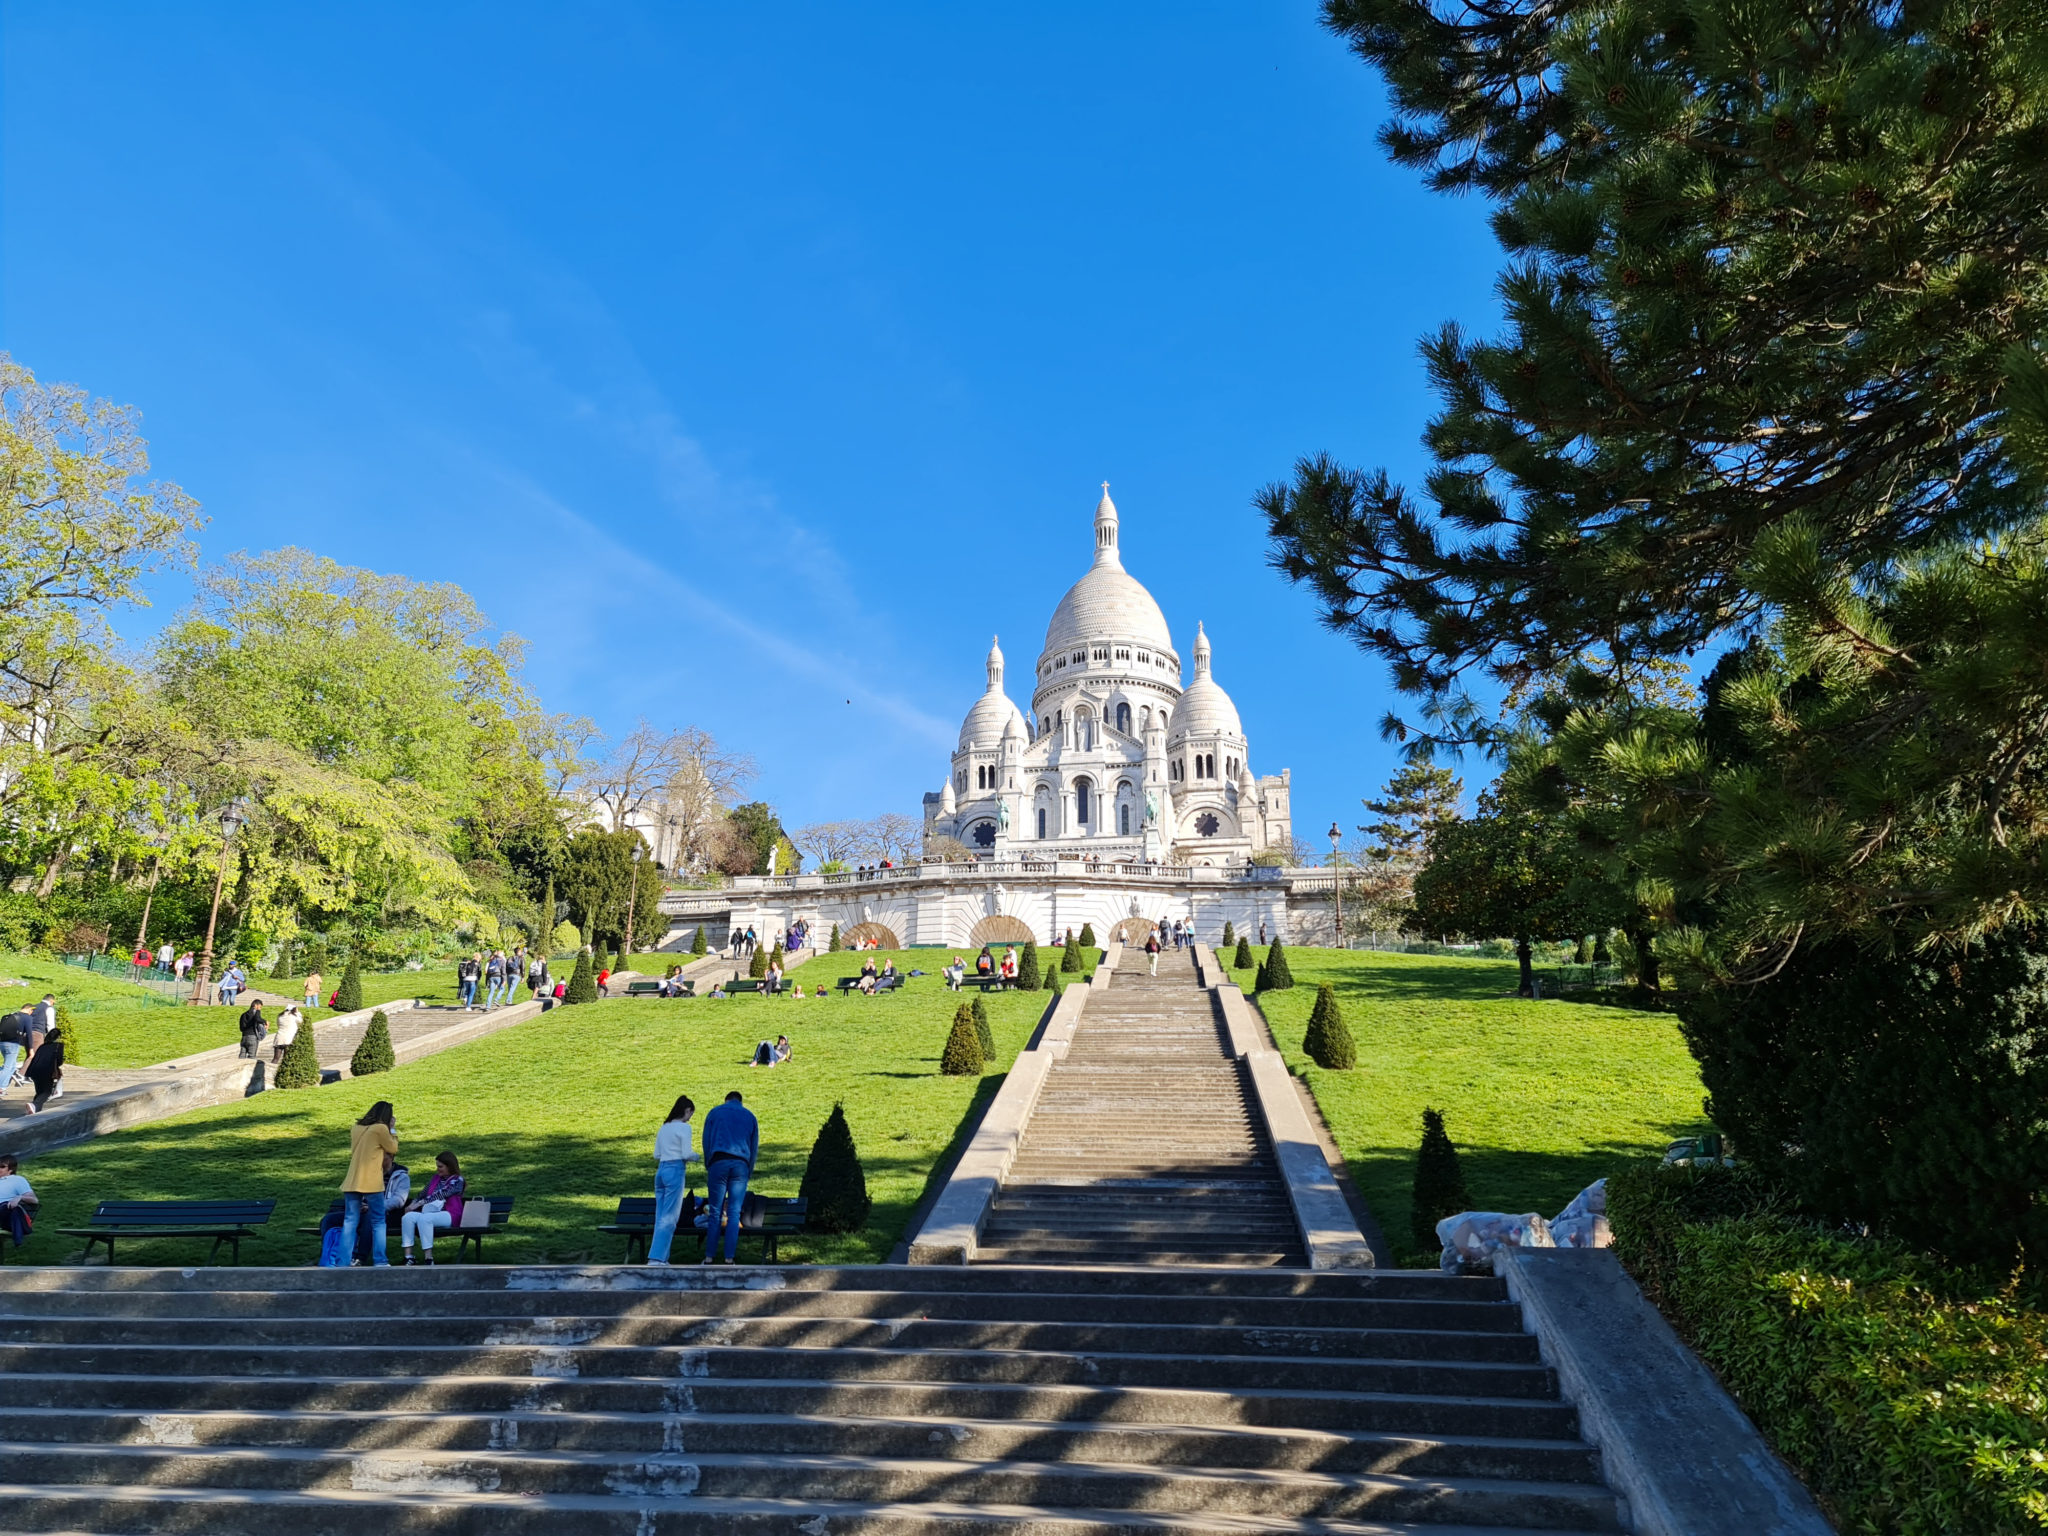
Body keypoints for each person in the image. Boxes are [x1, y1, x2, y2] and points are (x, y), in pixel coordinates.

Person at [699, 1090, 758, 1264]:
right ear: (740, 1101)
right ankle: (729, 1258)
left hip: (718, 1162)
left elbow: (706, 1140)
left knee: (715, 1212)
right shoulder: (750, 1116)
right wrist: (749, 1169)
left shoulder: (715, 1112)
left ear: (726, 1100)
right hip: (741, 1165)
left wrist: (708, 1162)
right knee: (734, 1212)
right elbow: (754, 1147)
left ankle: (709, 1257)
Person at [340, 1101, 399, 1266]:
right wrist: (392, 1128)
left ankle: (343, 1262)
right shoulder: (380, 1129)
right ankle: (380, 1260)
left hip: (352, 1180)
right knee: (379, 1221)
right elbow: (393, 1148)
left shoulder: (356, 1128)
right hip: (371, 1181)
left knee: (350, 1221)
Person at [647, 1095, 698, 1264]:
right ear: (687, 1110)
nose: (690, 1117)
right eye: (691, 1113)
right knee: (670, 1217)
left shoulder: (665, 1127)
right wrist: (697, 1157)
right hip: (675, 1170)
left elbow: (657, 1154)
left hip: (661, 1170)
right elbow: (686, 1153)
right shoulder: (684, 1128)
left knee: (660, 1215)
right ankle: (657, 1258)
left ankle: (660, 1256)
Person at [399, 1150, 465, 1265]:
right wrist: (411, 1205)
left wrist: (419, 1204)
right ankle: (409, 1257)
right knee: (408, 1217)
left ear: (449, 1166)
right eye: (437, 1166)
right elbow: (422, 1194)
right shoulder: (435, 1178)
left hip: (450, 1214)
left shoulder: (457, 1180)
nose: (437, 1169)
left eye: (441, 1166)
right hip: (431, 1211)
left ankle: (428, 1258)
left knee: (426, 1219)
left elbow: (441, 1194)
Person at [23, 1029, 63, 1114]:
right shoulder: (58, 1046)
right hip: (47, 1070)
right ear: (58, 1037)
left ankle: (35, 1110)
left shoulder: (42, 1046)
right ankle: (34, 1105)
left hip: (34, 1071)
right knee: (47, 1092)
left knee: (40, 1092)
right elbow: (59, 1061)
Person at [0, 1155, 37, 1247]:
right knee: (13, 1210)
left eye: (2, 1167)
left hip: (7, 1214)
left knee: (12, 1208)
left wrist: (19, 1197)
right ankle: (20, 1236)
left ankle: (18, 1239)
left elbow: (34, 1200)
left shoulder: (17, 1180)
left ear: (11, 1169)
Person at [0, 1011, 27, 1098]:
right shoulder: (22, 1018)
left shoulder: (6, 1018)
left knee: (11, 1066)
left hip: (2, 1043)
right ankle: (1, 1087)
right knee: (8, 1067)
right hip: (13, 1044)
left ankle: (3, 1087)